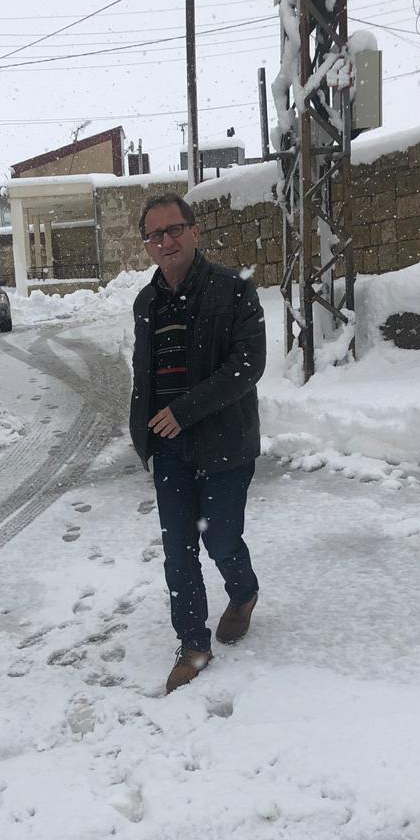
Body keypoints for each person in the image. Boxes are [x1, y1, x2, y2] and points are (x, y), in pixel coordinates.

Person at [130, 194, 266, 694]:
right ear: (147, 244)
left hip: (225, 440)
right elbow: (145, 371)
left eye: (174, 229)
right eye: (154, 235)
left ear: (194, 231)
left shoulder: (233, 290)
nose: (165, 241)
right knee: (178, 551)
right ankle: (193, 645)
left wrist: (183, 411)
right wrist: (142, 430)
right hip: (169, 448)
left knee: (220, 539)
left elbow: (247, 366)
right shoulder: (146, 302)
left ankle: (243, 593)